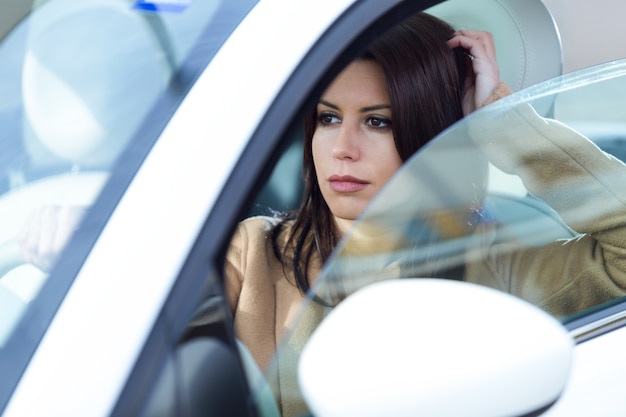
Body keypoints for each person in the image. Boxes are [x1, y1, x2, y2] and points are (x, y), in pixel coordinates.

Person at [17, 12, 626, 417]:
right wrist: (79, 245)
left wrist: (501, 120)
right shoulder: (251, 251)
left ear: (431, 131)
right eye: (329, 117)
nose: (343, 148)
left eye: (378, 121)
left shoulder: (502, 266)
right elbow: (143, 275)